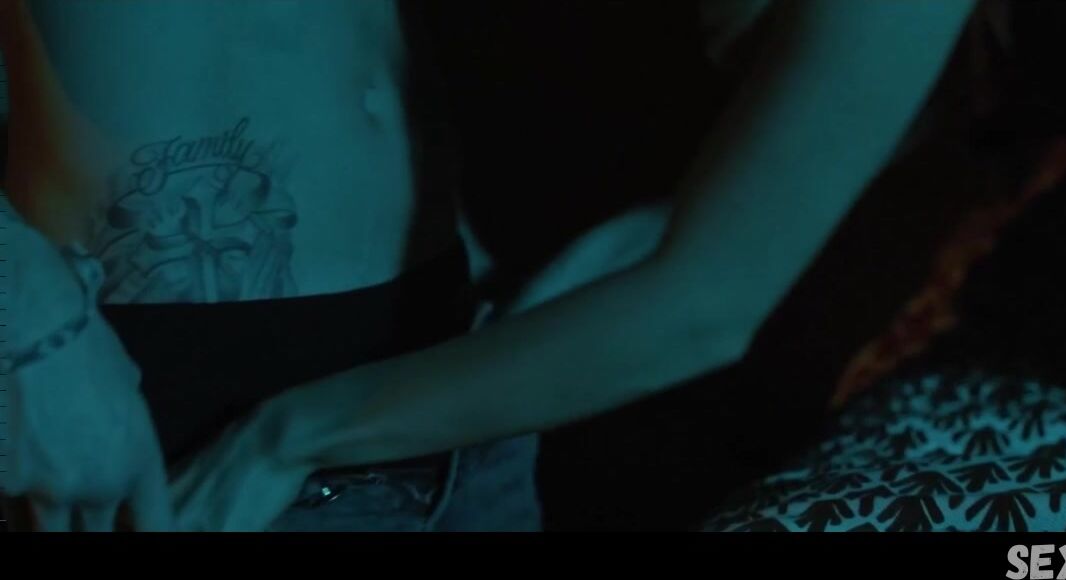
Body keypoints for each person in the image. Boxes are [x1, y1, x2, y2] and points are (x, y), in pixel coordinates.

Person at [0, 0, 975, 531]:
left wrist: (285, 438)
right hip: (133, 397)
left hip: (444, 407)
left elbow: (705, 300)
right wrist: (30, 322)